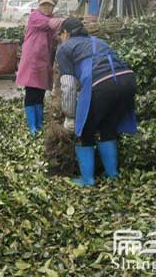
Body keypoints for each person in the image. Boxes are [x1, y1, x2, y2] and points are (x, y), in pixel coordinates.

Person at [57, 18, 137, 186]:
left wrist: (70, 116)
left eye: (61, 34)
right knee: (107, 127)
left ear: (66, 33)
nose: (60, 38)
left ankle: (87, 179)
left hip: (102, 84)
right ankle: (112, 174)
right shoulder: (99, 41)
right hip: (127, 80)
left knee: (84, 130)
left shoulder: (64, 48)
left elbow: (68, 85)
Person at [15, 0, 66, 135]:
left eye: (49, 5)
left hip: (43, 63)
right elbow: (51, 24)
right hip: (32, 62)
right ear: (39, 6)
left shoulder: (50, 20)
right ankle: (32, 126)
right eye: (44, 5)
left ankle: (39, 123)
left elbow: (54, 35)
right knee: (31, 93)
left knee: (40, 94)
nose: (46, 8)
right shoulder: (35, 17)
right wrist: (68, 22)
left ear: (53, 7)